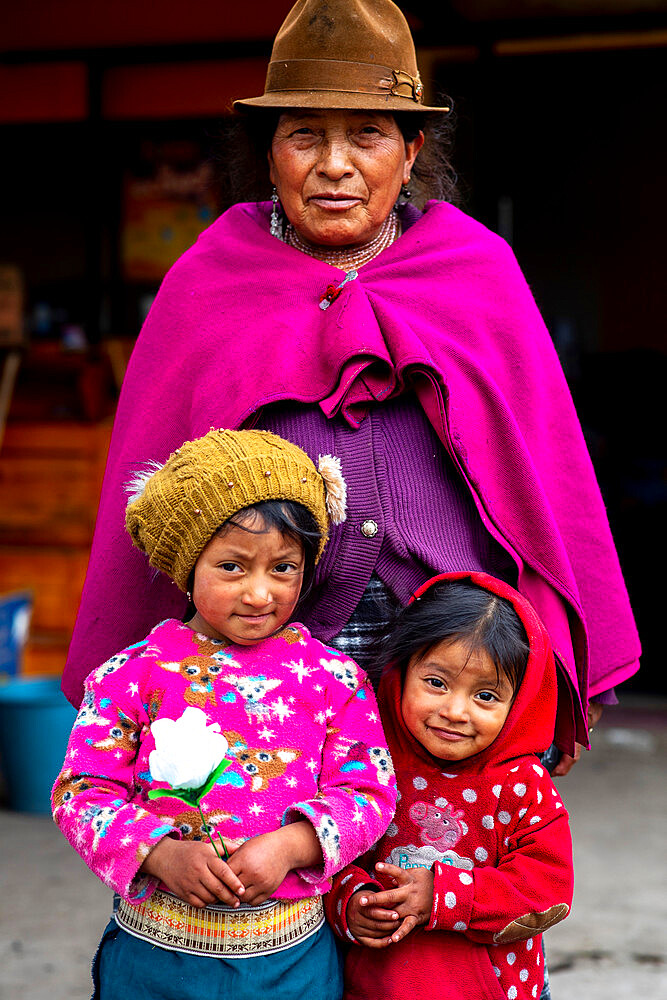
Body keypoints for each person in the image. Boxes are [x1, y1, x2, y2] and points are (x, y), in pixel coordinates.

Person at [63, 0, 639, 780]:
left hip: (448, 646)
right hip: (261, 645)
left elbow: (547, 471)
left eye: (366, 135)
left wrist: (570, 653)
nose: (335, 164)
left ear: (410, 153)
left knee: (426, 883)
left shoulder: (477, 270)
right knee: (275, 867)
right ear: (270, 157)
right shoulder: (209, 279)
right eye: (305, 136)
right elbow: (155, 483)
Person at [51, 429, 397, 1000]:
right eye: (233, 568)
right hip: (155, 961)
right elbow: (80, 793)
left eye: (283, 568)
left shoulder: (333, 678)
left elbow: (371, 793)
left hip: (293, 965)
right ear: (187, 567)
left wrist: (292, 846)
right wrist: (158, 853)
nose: (261, 594)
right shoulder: (130, 676)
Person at [325, 571, 573, 1000]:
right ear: (401, 672)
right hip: (375, 986)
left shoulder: (519, 782)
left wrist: (443, 896)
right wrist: (351, 903)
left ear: (521, 702)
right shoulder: (369, 763)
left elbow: (547, 888)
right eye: (436, 683)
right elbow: (328, 858)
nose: (456, 711)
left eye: (486, 696)